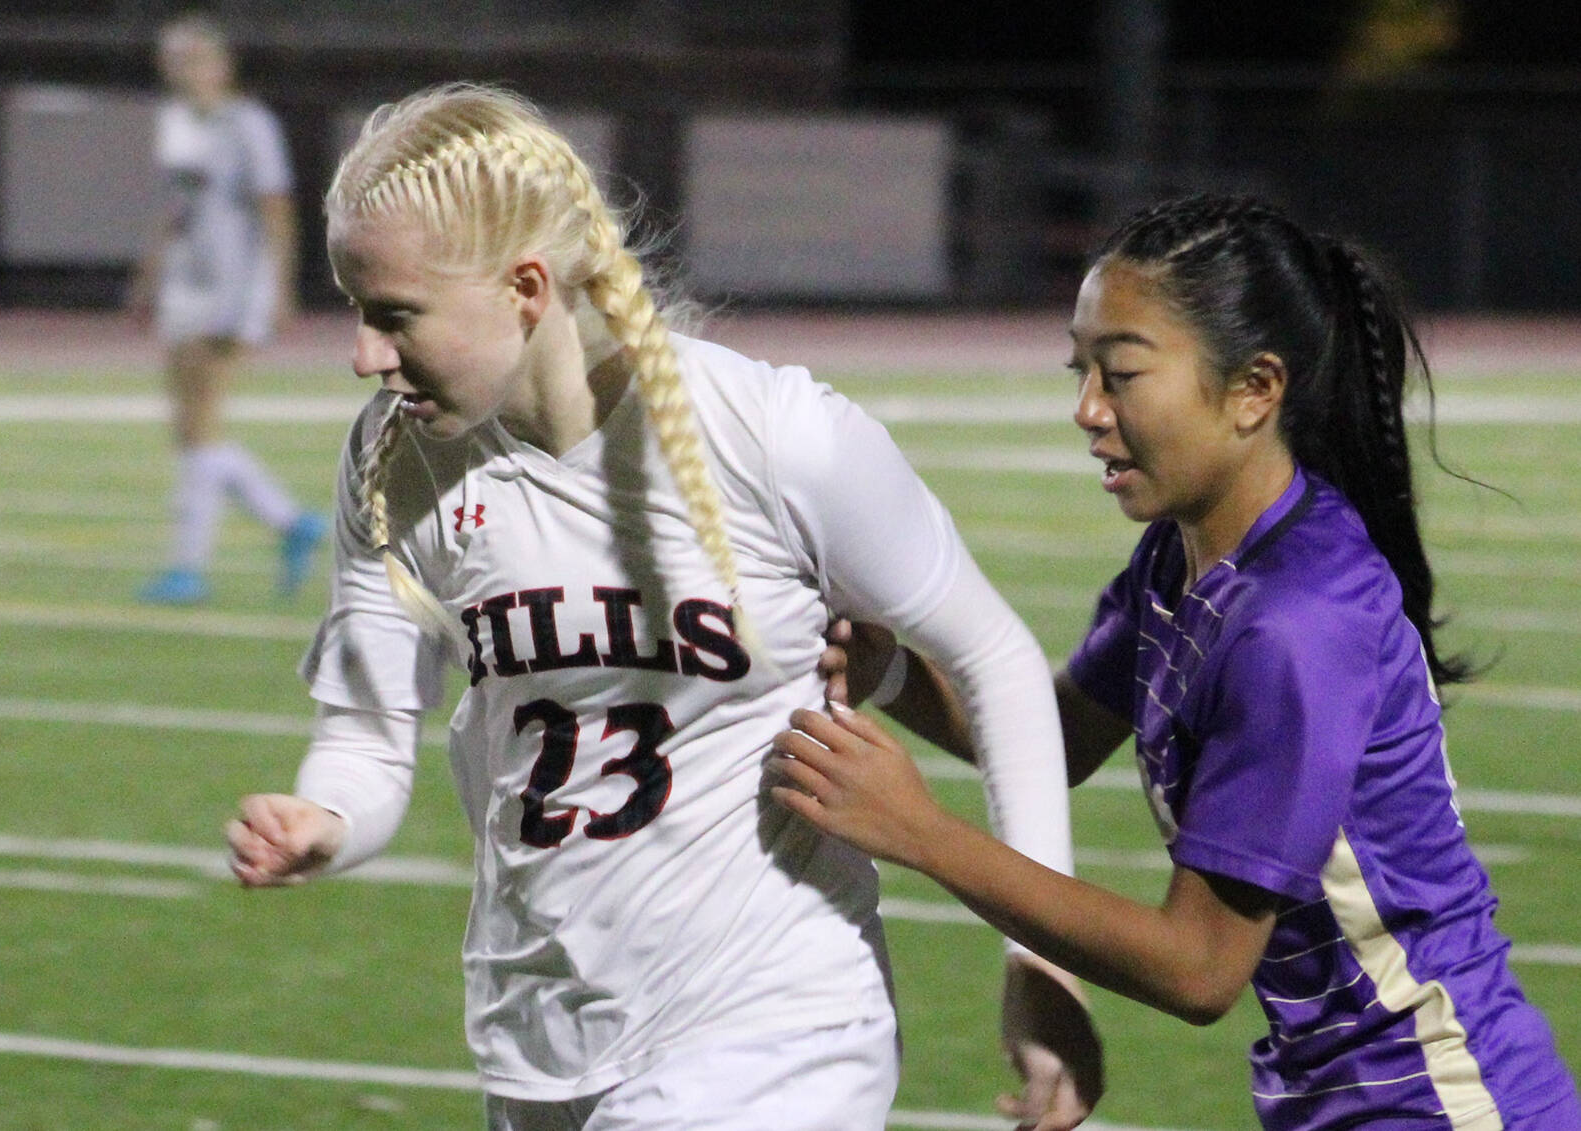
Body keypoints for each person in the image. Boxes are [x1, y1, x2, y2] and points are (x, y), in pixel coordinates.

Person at [223, 83, 1101, 1131]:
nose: (363, 355)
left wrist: (1041, 960)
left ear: (527, 287)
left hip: (774, 1022)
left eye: (393, 315)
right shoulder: (393, 456)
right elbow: (368, 740)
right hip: (537, 1030)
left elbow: (995, 658)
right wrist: (324, 821)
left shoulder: (774, 435)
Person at [772, 194, 1581, 1130]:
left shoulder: (1298, 622)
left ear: (1254, 390)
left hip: (1436, 1102)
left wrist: (922, 833)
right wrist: (891, 674)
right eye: (1082, 372)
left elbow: (1199, 966)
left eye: (1120, 375)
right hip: (1342, 1095)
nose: (1086, 410)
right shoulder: (1184, 557)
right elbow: (1061, 735)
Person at [127, 13, 326, 605]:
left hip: (234, 287)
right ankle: (291, 522)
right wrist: (149, 276)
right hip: (186, 287)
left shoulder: (250, 124)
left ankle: (189, 569)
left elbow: (276, 209)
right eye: (173, 59)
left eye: (192, 57)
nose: (181, 70)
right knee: (189, 428)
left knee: (202, 422)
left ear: (220, 64)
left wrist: (283, 288)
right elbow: (177, 207)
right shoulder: (179, 123)